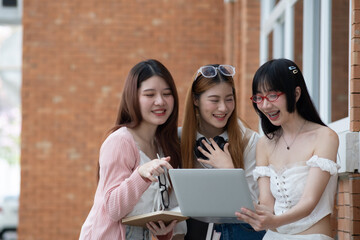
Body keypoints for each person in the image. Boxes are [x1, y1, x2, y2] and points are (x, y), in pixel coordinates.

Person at [79, 59, 185, 240]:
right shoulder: (120, 142)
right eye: (150, 95)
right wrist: (141, 175)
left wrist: (162, 233)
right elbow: (113, 209)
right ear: (133, 97)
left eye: (167, 94)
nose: (160, 101)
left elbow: (147, 212)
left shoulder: (164, 145)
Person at [235, 58, 339, 240]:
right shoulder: (264, 144)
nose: (265, 105)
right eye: (259, 98)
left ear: (296, 93)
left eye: (273, 95)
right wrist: (250, 211)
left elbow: (309, 201)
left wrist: (274, 221)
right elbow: (267, 204)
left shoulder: (325, 137)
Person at [180, 64, 265, 240]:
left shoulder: (250, 141)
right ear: (196, 100)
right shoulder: (178, 140)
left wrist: (229, 171)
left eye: (229, 99)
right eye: (214, 100)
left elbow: (253, 210)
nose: (223, 108)